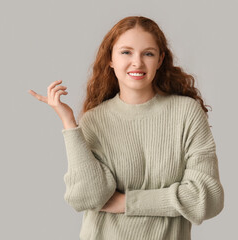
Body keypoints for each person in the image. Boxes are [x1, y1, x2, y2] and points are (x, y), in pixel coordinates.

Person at [28, 16, 224, 240]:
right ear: (110, 58)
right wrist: (69, 124)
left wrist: (127, 202)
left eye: (148, 53)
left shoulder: (186, 114)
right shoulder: (94, 120)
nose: (137, 63)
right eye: (126, 52)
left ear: (160, 60)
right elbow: (87, 198)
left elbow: (208, 199)